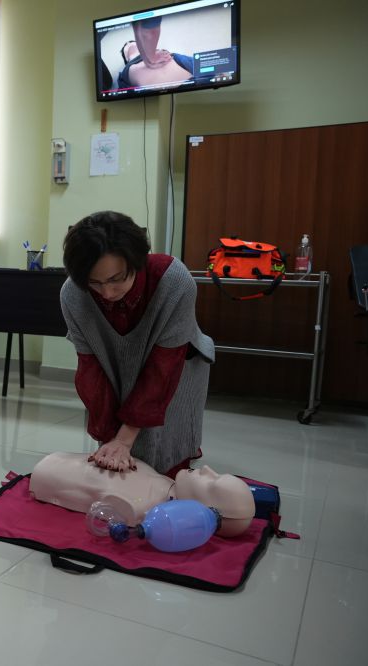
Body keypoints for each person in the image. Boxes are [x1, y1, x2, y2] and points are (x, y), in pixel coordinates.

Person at [60, 211, 215, 475]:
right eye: (94, 282)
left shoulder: (174, 281)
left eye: (116, 279)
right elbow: (91, 370)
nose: (106, 293)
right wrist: (111, 439)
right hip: (113, 368)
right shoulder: (74, 293)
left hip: (177, 366)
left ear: (138, 261)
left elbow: (163, 367)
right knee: (118, 463)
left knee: (165, 461)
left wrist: (125, 438)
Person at [28, 452, 255, 537]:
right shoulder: (167, 485)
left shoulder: (145, 508)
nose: (207, 470)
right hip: (63, 462)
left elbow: (107, 501)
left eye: (211, 484)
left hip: (50, 474)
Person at [116, 17, 193, 91]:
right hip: (191, 82)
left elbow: (146, 31)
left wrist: (151, 58)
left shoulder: (133, 66)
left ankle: (129, 49)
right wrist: (150, 58)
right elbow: (145, 31)